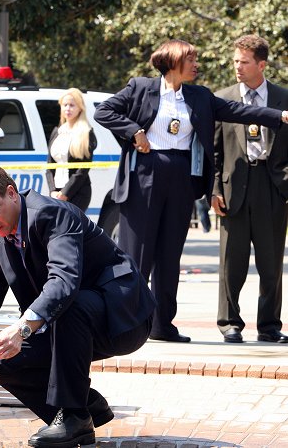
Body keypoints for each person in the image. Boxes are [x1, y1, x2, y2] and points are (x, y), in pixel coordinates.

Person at [0, 161, 155, 448]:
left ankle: (74, 419)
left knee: (65, 305)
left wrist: (22, 328)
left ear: (12, 194)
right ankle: (84, 410)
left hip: (123, 317)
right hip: (68, 323)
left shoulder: (51, 214)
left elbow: (63, 282)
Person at [94, 39, 288, 343]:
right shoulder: (141, 87)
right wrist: (134, 131)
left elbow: (237, 110)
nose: (197, 65)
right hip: (145, 174)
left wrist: (279, 116)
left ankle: (162, 325)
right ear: (173, 62)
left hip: (182, 177)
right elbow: (104, 112)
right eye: (191, 60)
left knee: (170, 256)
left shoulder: (199, 96)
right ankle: (126, 323)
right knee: (138, 255)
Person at [211, 35, 288, 344]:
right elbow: (214, 151)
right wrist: (214, 189)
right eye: (235, 61)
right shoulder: (222, 98)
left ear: (261, 64)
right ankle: (230, 323)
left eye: (243, 62)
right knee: (232, 263)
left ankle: (269, 326)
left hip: (273, 188)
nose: (237, 67)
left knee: (271, 265)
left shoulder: (284, 98)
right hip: (233, 189)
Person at [46, 88, 98, 212]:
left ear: (80, 108)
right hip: (56, 192)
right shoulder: (57, 131)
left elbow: (83, 169)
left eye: (72, 105)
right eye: (65, 105)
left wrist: (65, 193)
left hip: (77, 192)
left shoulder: (86, 132)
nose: (68, 109)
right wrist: (53, 190)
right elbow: (50, 166)